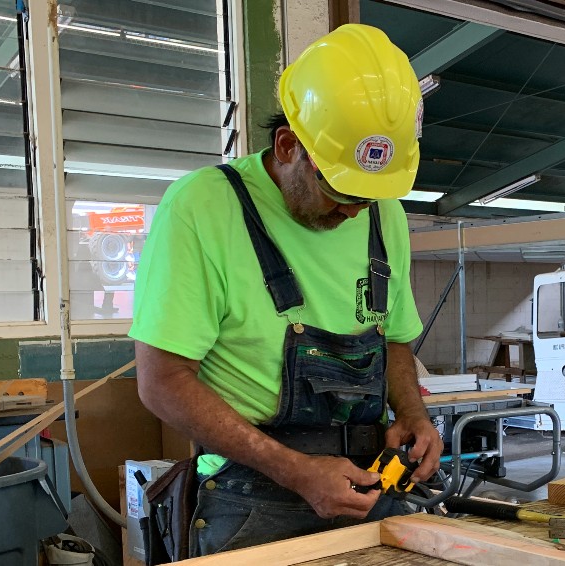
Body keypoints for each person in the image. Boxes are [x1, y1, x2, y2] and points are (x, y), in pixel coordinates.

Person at [129, 24, 441, 556]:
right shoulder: (203, 208)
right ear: (288, 146)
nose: (352, 212)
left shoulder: (381, 215)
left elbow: (393, 340)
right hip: (253, 494)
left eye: (368, 198)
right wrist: (296, 471)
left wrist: (412, 414)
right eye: (341, 190)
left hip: (370, 483)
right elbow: (162, 382)